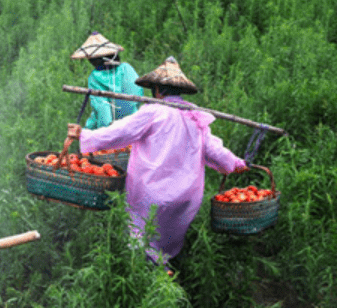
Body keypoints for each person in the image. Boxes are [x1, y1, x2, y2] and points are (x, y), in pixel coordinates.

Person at [64, 56, 249, 270]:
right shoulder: (195, 116)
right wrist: (236, 163)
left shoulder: (153, 112)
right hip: (185, 198)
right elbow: (214, 150)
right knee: (165, 241)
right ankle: (164, 265)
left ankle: (154, 272)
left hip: (152, 193)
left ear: (158, 90)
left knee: (141, 238)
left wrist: (84, 135)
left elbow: (120, 132)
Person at [70, 32, 143, 129]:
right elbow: (137, 98)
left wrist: (87, 133)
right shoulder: (127, 68)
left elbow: (103, 113)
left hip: (114, 132)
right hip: (134, 126)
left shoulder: (95, 77)